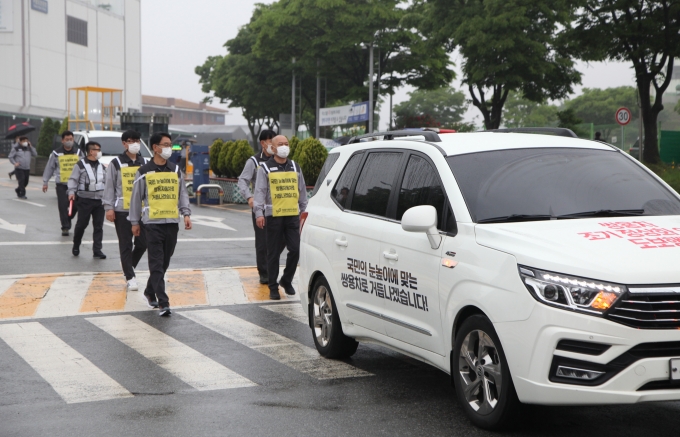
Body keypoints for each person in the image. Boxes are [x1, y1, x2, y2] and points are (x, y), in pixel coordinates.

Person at [129, 132, 192, 316]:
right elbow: (135, 199)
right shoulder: (144, 171)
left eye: (170, 144)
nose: (169, 148)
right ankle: (163, 302)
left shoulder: (175, 170)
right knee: (156, 262)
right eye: (165, 145)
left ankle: (149, 291)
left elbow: (182, 194)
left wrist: (186, 213)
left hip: (172, 222)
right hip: (152, 224)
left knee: (164, 261)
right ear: (155, 148)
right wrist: (135, 222)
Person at [253, 135, 308, 300]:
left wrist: (304, 213)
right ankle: (273, 287)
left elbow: (302, 192)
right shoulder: (265, 168)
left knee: (296, 249)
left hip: (292, 215)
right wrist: (259, 213)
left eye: (286, 144)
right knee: (273, 253)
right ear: (273, 148)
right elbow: (259, 192)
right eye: (280, 144)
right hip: (273, 216)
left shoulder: (295, 167)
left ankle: (286, 279)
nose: (284, 147)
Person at [103, 130, 149, 291]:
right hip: (122, 210)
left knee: (143, 243)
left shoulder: (145, 162)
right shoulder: (116, 163)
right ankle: (130, 276)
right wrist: (109, 208)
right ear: (124, 143)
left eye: (137, 140)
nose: (134, 144)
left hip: (143, 211)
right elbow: (109, 186)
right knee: (126, 244)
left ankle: (128, 266)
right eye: (130, 141)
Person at [238, 129, 276, 284]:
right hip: (260, 208)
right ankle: (264, 273)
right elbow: (242, 181)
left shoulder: (279, 160)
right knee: (262, 243)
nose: (273, 146)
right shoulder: (253, 162)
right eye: (271, 142)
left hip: (278, 209)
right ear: (263, 143)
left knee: (277, 242)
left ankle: (272, 269)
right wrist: (249, 197)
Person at [68, 141, 107, 259]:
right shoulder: (80, 165)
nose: (99, 152)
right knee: (81, 225)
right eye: (98, 149)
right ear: (91, 151)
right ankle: (76, 245)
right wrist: (71, 192)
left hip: (99, 201)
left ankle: (97, 250)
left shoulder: (102, 166)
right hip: (85, 200)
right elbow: (73, 180)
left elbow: (107, 182)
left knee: (98, 226)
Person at [43, 131, 85, 236]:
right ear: (62, 141)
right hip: (62, 184)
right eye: (67, 139)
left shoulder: (79, 153)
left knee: (75, 206)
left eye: (71, 139)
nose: (69, 141)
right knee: (63, 206)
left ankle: (68, 218)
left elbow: (84, 167)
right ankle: (65, 227)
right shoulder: (56, 153)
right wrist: (45, 182)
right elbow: (50, 168)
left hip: (76, 185)